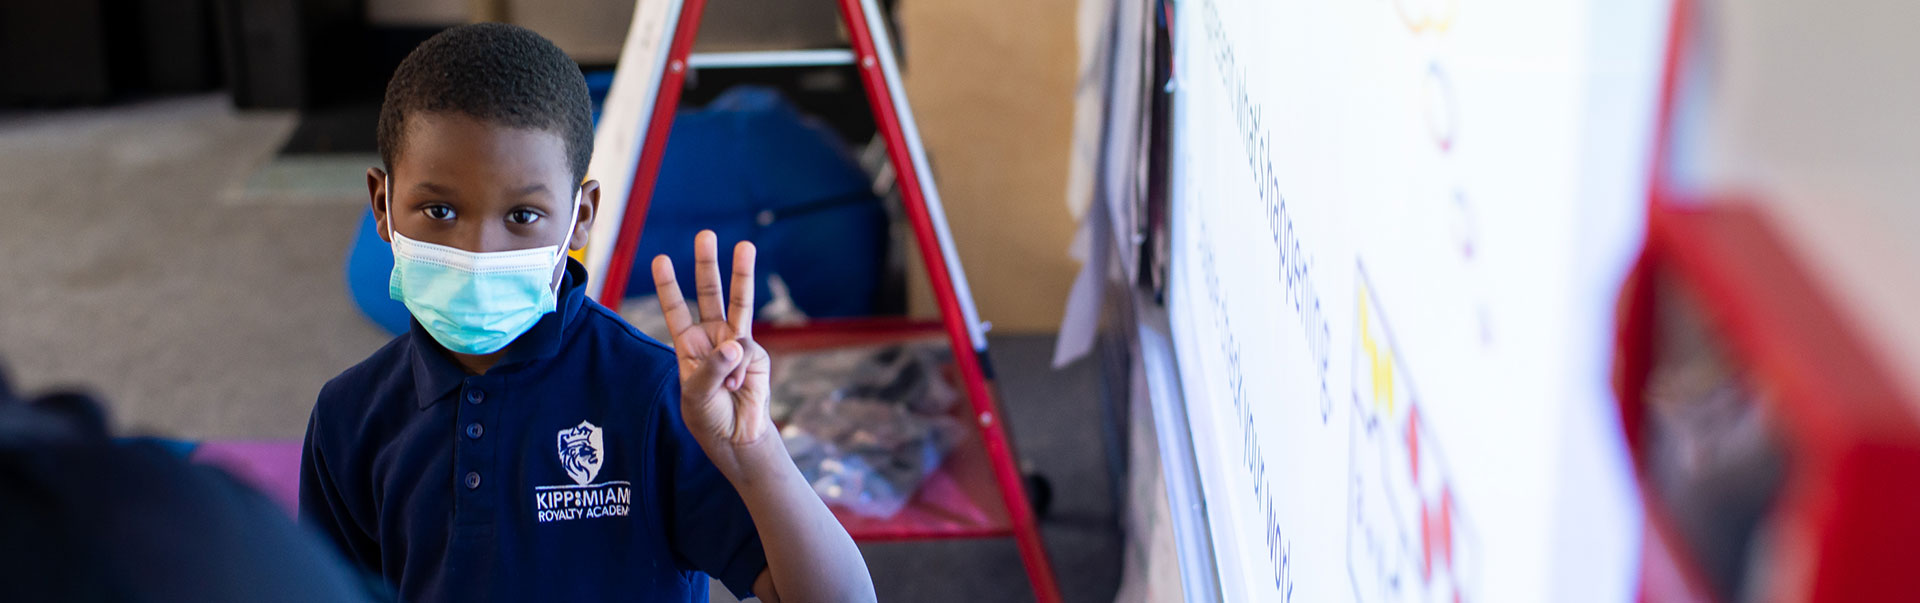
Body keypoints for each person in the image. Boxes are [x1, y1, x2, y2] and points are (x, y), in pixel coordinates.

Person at [298, 23, 875, 603]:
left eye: (523, 216)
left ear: (580, 218)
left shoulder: (660, 395)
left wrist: (755, 454)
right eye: (440, 209)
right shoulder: (350, 417)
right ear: (383, 205)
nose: (479, 251)